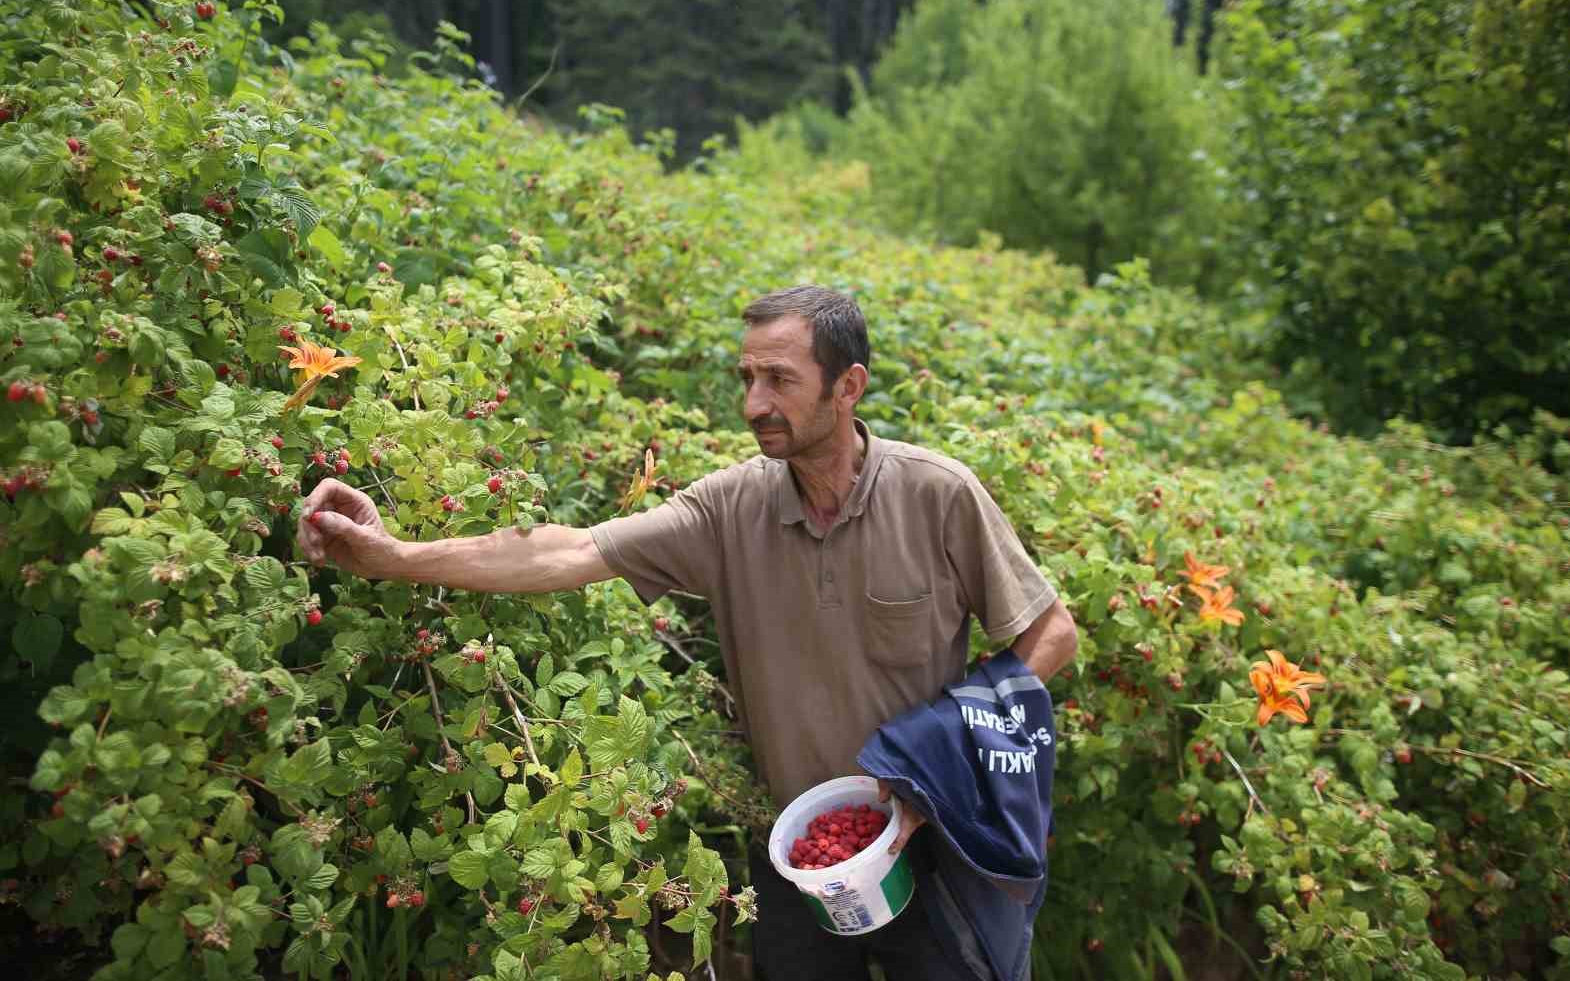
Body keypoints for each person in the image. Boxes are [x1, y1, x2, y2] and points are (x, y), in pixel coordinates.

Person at [296, 285, 1079, 981]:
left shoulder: (937, 496)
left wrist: (942, 757)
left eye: (779, 380)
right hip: (799, 850)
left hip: (934, 844)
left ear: (848, 387)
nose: (753, 403)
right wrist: (397, 558)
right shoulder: (728, 508)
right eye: (747, 378)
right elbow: (569, 549)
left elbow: (1050, 633)